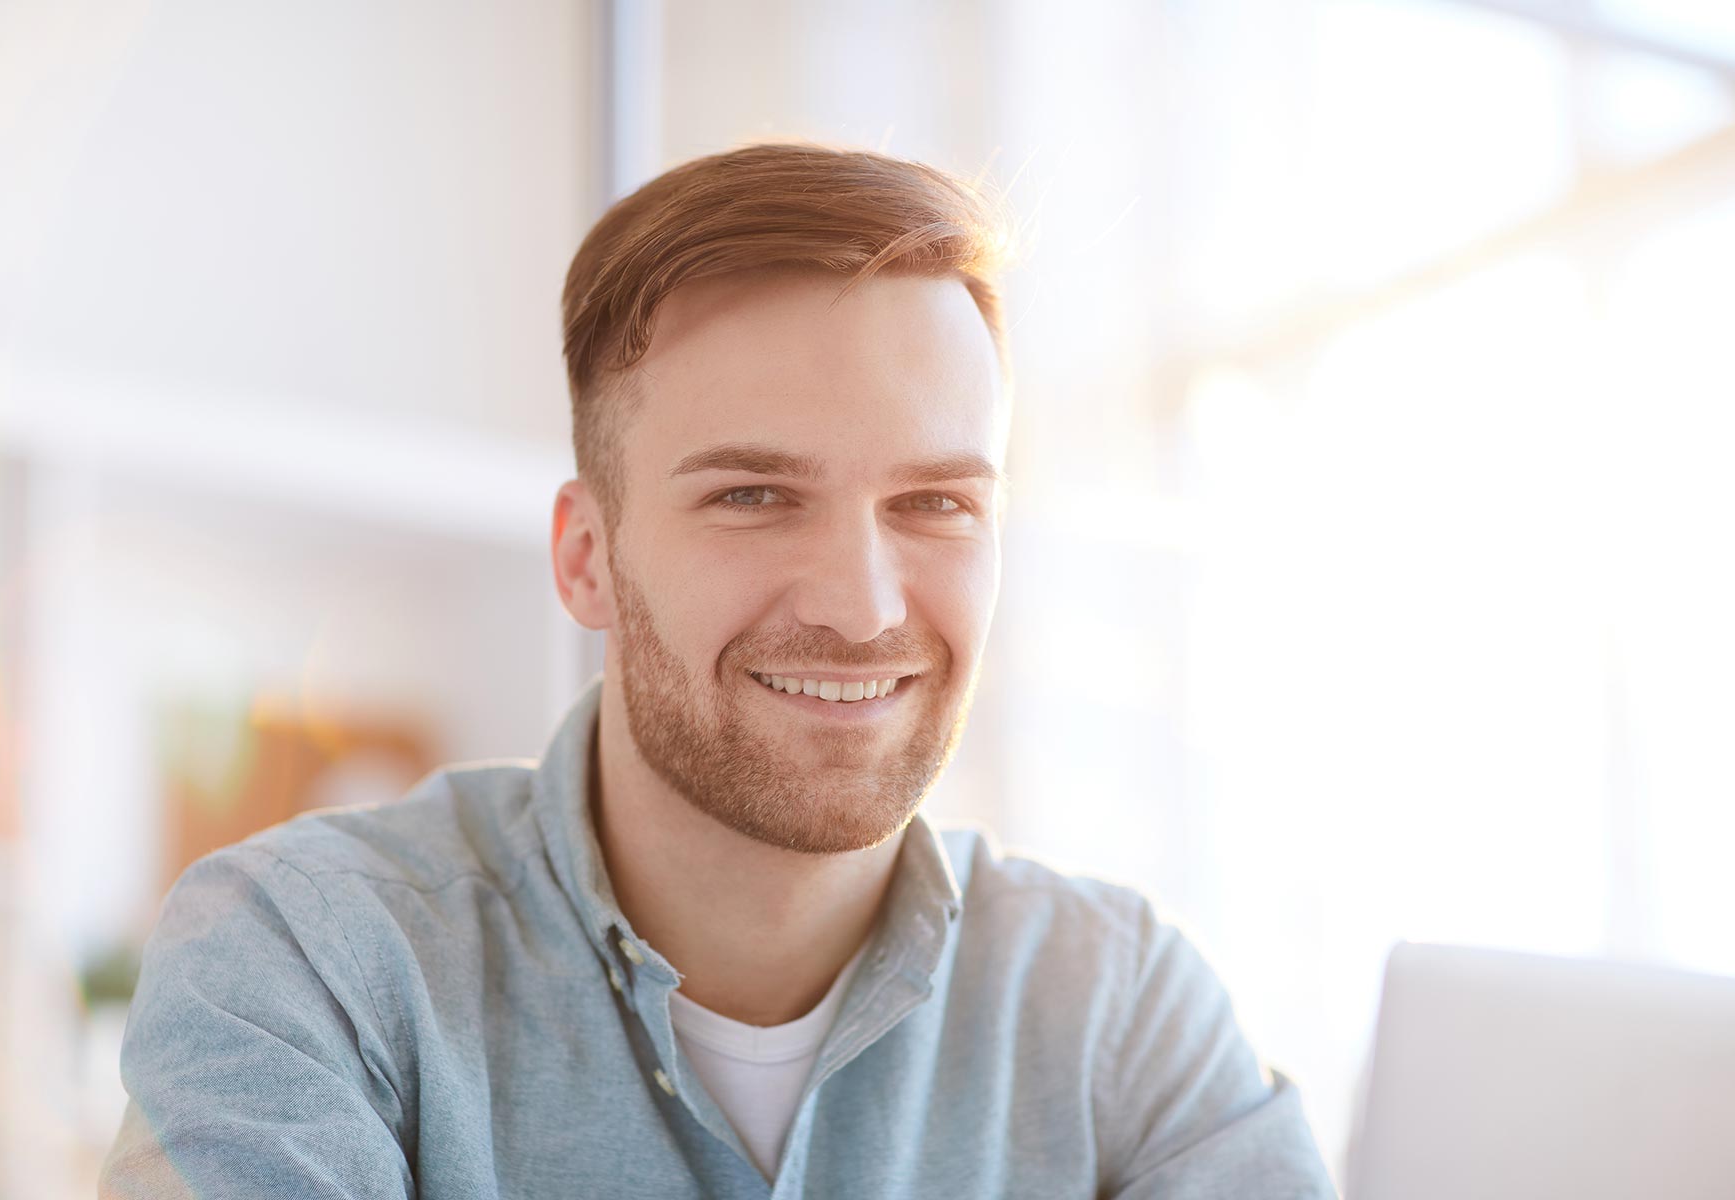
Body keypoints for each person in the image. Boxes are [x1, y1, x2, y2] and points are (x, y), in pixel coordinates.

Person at [101, 143, 1335, 1199]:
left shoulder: (1120, 1007)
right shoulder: (310, 962)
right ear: (587, 557)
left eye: (936, 503)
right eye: (754, 495)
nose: (862, 608)